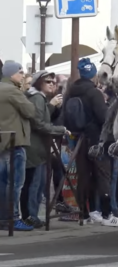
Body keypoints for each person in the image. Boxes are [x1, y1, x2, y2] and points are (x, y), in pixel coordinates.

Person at [62, 58, 118, 227]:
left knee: (84, 177)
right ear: (94, 74)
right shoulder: (94, 93)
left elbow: (66, 116)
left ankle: (85, 214)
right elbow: (104, 118)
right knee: (103, 176)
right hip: (97, 141)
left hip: (78, 140)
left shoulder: (70, 92)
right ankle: (107, 214)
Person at [20, 70, 67, 228]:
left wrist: (51, 107)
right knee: (34, 185)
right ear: (39, 82)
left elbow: (41, 117)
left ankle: (30, 215)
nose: (52, 84)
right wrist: (60, 129)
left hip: (37, 146)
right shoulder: (37, 97)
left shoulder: (38, 98)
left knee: (36, 185)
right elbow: (39, 123)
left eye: (53, 82)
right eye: (48, 82)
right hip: (35, 147)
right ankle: (31, 216)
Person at [0, 61, 36, 231]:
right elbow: (30, 111)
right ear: (11, 74)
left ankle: (3, 218)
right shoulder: (13, 91)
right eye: (20, 72)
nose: (23, 75)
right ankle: (13, 218)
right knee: (15, 183)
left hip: (3, 142)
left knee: (3, 183)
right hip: (14, 144)